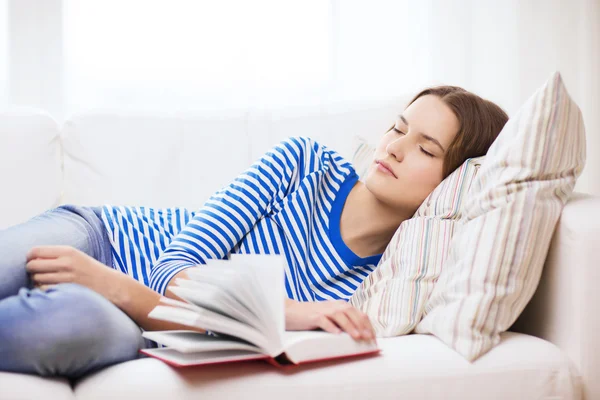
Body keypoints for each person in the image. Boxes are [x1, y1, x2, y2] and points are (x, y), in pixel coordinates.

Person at [0, 85, 508, 379]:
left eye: (426, 148)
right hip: (103, 240)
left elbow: (232, 336)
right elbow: (172, 270)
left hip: (135, 323)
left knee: (71, 328)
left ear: (455, 182)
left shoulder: (381, 283)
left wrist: (117, 297)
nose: (394, 148)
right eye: (398, 128)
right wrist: (297, 313)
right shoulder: (304, 163)